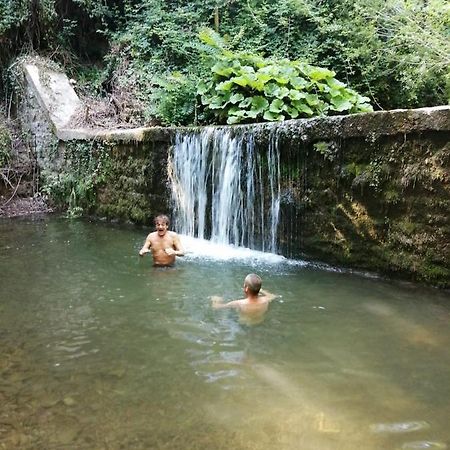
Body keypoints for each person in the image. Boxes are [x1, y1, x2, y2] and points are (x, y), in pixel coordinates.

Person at [211, 273, 278, 324]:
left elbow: (216, 307)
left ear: (246, 288)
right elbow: (273, 296)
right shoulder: (265, 299)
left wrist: (216, 300)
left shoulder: (238, 303)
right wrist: (261, 290)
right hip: (259, 322)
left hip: (244, 324)